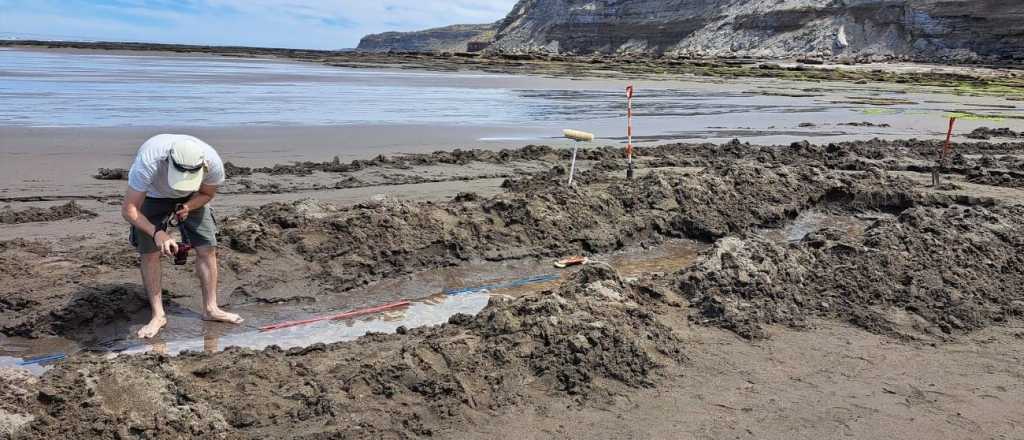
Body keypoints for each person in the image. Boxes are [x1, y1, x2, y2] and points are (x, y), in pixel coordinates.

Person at [121, 134, 243, 339]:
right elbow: (129, 209)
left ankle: (211, 308)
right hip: (152, 195)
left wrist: (188, 206)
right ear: (168, 161)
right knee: (150, 252)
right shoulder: (148, 162)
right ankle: (158, 315)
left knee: (207, 246)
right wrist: (157, 233)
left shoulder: (212, 163)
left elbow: (207, 193)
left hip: (192, 196)